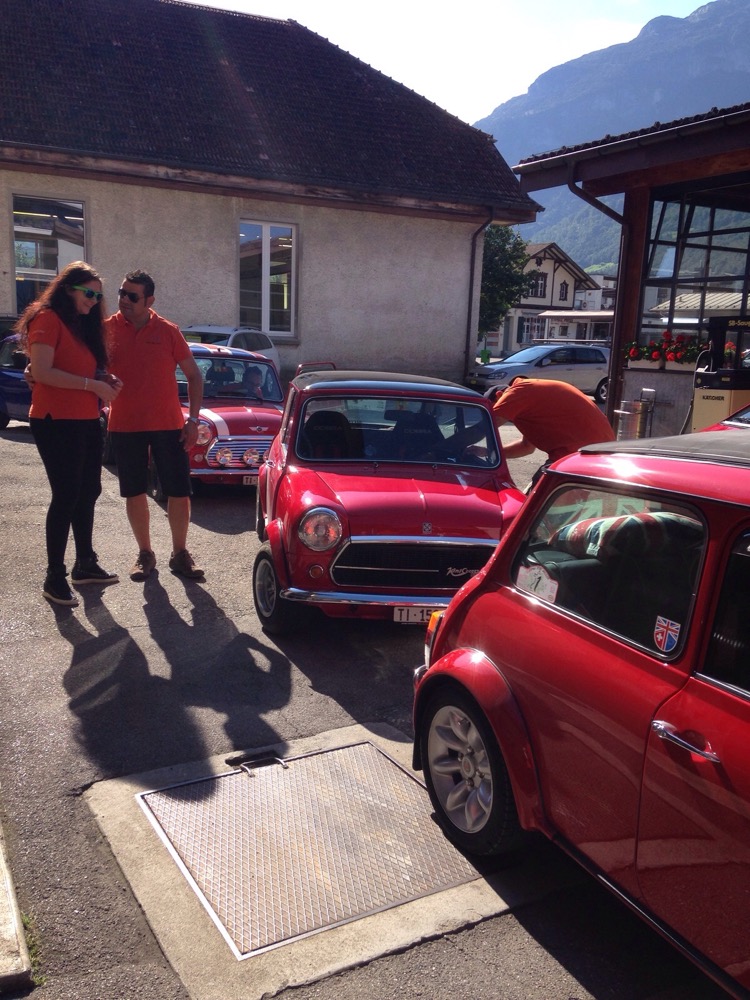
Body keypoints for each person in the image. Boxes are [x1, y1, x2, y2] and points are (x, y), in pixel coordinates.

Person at [16, 261, 122, 607]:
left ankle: (85, 563)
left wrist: (102, 379)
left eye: (98, 296)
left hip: (86, 419)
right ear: (67, 289)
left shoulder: (81, 325)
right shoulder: (47, 318)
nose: (94, 300)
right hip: (55, 420)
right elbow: (43, 371)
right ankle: (54, 576)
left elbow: (74, 369)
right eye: (88, 293)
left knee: (88, 490)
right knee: (66, 495)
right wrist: (93, 384)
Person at [105, 270, 205, 581]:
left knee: (178, 491)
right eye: (122, 293)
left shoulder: (168, 331)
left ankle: (180, 554)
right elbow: (85, 365)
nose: (124, 299)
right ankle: (145, 554)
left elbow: (194, 376)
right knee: (134, 491)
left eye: (132, 296)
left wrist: (193, 420)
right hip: (125, 425)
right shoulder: (106, 329)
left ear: (149, 300)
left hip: (168, 425)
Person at [489, 376, 615, 483]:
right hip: (600, 451)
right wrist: (491, 454)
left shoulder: (518, 391)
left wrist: (475, 445)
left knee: (541, 489)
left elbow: (490, 424)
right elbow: (526, 447)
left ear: (499, 396)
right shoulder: (530, 402)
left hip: (580, 453)